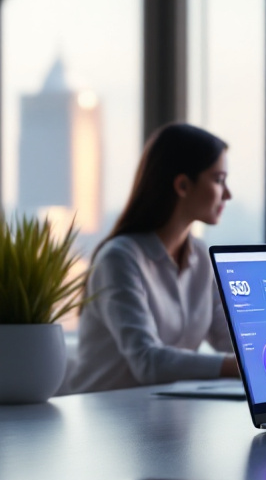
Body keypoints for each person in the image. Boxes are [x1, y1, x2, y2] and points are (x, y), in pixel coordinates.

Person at [69, 123, 239, 394]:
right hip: (103, 420)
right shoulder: (119, 259)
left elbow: (229, 339)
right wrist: (238, 367)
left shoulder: (201, 258)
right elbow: (147, 362)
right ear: (183, 185)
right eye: (218, 180)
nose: (227, 194)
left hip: (165, 415)